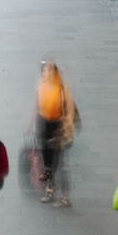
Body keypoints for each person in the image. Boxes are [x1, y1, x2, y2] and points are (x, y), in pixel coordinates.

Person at [34, 62, 78, 207]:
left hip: (58, 127)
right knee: (47, 162)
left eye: (48, 72)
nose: (45, 74)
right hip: (45, 125)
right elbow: (37, 105)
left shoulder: (61, 88)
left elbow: (70, 108)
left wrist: (66, 126)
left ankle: (65, 197)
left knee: (59, 163)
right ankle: (50, 189)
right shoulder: (41, 85)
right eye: (44, 71)